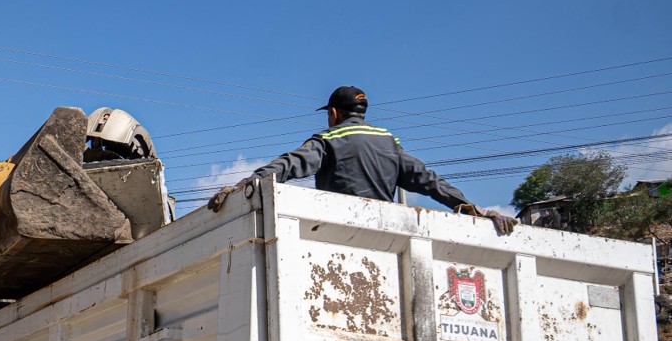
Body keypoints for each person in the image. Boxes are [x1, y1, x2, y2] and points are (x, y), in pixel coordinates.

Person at [207, 85, 516, 234]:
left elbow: (289, 164)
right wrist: (473, 208)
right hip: (388, 234)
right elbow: (429, 181)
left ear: (333, 113)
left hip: (338, 231)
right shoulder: (389, 141)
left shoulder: (328, 139)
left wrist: (250, 181)